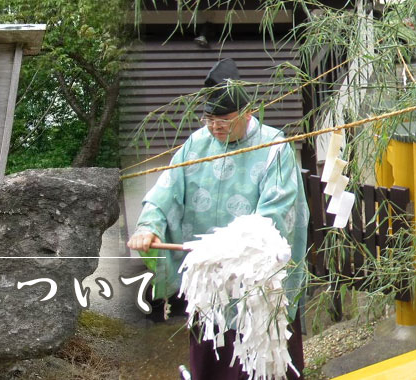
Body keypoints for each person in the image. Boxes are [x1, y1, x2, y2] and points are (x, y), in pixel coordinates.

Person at [126, 58, 309, 379]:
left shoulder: (273, 147)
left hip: (254, 277)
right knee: (211, 355)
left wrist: (232, 251)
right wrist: (148, 225)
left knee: (262, 356)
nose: (215, 127)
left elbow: (276, 215)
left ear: (247, 112)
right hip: (210, 280)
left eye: (223, 120)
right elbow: (166, 188)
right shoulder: (197, 144)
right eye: (209, 119)